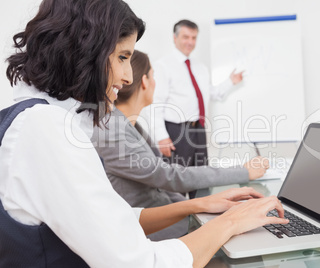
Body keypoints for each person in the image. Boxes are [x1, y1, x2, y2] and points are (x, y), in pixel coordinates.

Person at [0, 1, 288, 267]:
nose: (128, 77)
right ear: (86, 51)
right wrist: (230, 222)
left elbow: (111, 222)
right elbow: (140, 263)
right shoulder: (48, 131)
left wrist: (198, 204)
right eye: (123, 57)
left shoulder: (40, 120)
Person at [92, 50, 270, 241]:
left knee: (248, 226)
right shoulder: (113, 131)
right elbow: (168, 176)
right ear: (144, 81)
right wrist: (242, 172)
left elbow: (165, 184)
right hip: (154, 234)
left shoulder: (130, 124)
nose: (155, 82)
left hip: (172, 219)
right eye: (153, 75)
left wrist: (197, 212)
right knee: (249, 235)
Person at [150, 19, 244, 170]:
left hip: (198, 129)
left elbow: (209, 93)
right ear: (175, 38)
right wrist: (161, 137)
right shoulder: (163, 66)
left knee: (201, 176)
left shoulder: (200, 67)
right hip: (176, 132)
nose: (190, 42)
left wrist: (230, 81)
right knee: (177, 180)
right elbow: (156, 103)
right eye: (185, 37)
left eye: (194, 38)